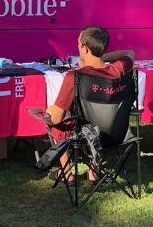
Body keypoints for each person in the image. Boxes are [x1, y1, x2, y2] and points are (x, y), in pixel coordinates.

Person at [39, 26, 134, 181]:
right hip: (116, 135)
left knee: (55, 120)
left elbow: (56, 118)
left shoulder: (74, 77)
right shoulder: (118, 69)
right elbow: (130, 53)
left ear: (85, 48)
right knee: (92, 121)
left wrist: (49, 110)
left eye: (79, 44)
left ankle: (67, 174)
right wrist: (101, 56)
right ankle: (94, 172)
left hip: (86, 138)